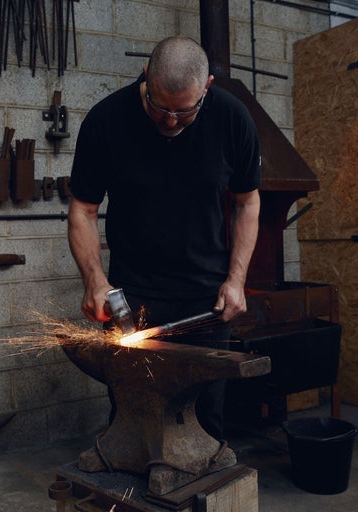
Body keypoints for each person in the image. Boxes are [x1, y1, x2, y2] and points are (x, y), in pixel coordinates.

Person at [67, 35, 261, 441]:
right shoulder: (106, 121)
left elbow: (247, 203)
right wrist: (94, 280)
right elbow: (83, 211)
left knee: (205, 424)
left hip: (206, 301)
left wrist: (237, 279)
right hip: (133, 299)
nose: (170, 121)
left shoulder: (233, 119)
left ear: (206, 87)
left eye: (184, 112)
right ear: (145, 78)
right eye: (160, 108)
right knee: (132, 418)